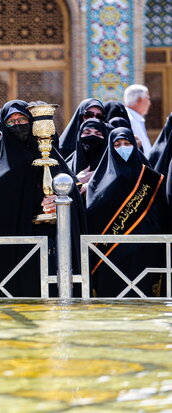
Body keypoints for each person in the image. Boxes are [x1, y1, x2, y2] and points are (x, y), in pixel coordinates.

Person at [0, 100, 87, 297]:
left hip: (50, 247)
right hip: (12, 251)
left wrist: (60, 202)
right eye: (11, 122)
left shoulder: (49, 156)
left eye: (22, 119)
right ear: (3, 125)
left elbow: (74, 198)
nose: (17, 125)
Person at [87, 127, 165, 297]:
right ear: (110, 147)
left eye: (127, 143)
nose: (123, 147)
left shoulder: (151, 179)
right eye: (117, 144)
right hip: (109, 257)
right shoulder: (97, 183)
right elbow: (92, 218)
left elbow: (160, 216)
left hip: (144, 254)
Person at [65, 118, 109, 195]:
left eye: (98, 134)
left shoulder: (111, 165)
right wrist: (76, 180)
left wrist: (94, 183)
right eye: (87, 133)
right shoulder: (66, 166)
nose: (92, 137)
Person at [124, 84, 153, 157]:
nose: (149, 103)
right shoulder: (129, 119)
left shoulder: (135, 118)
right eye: (148, 98)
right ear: (140, 99)